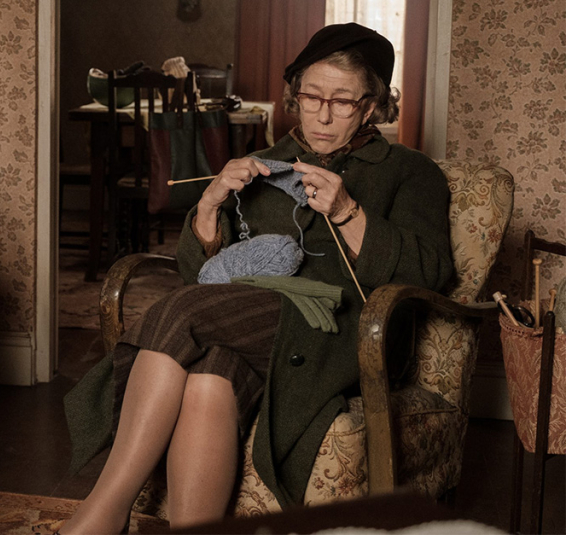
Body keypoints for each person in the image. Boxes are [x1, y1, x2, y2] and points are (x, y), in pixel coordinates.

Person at [62, 23, 454, 532]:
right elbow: (200, 276)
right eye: (311, 97)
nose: (322, 114)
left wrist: (348, 213)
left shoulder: (410, 170)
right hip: (251, 325)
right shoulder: (264, 164)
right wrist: (209, 206)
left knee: (180, 312)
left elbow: (430, 273)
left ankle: (104, 511)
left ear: (372, 105)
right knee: (211, 374)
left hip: (343, 331)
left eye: (341, 101)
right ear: (296, 96)